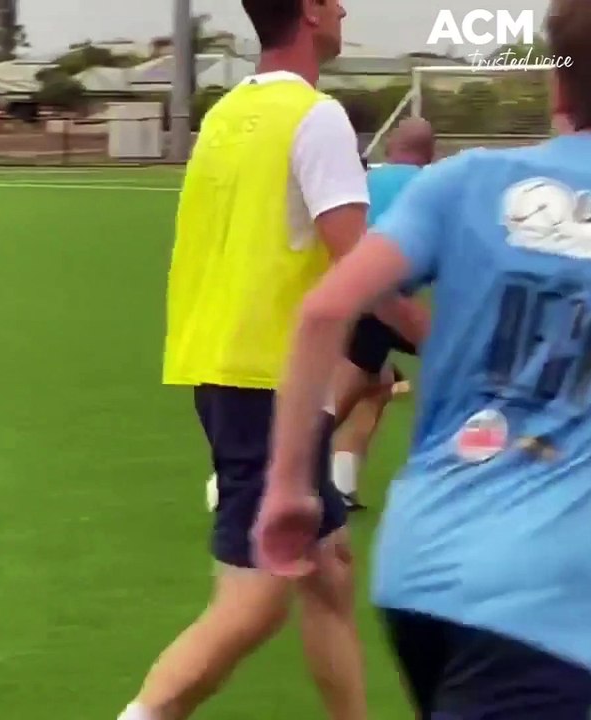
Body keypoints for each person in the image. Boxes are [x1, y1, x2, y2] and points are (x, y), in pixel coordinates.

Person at [254, 1, 591, 716]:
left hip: (423, 565)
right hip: (549, 598)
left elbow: (322, 310)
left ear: (559, 90)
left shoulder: (464, 182)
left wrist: (288, 490)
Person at [120, 1, 426, 717]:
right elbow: (360, 264)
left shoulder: (224, 115)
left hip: (225, 364)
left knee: (329, 570)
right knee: (253, 603)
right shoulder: (314, 117)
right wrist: (444, 336)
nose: (346, 7)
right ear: (313, 12)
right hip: (269, 380)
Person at [331, 117, 435, 510]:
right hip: (390, 303)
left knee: (375, 384)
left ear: (391, 146)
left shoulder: (364, 183)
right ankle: (262, 472)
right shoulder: (432, 185)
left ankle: (340, 483)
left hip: (355, 295)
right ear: (431, 152)